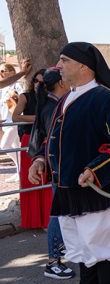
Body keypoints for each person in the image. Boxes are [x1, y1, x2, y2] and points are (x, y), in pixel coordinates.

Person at [28, 42, 110, 284]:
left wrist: (94, 169)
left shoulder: (106, 99)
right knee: (81, 248)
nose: (58, 66)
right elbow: (55, 138)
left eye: (64, 60)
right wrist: (40, 159)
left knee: (102, 249)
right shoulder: (68, 98)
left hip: (96, 191)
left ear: (84, 66)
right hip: (67, 189)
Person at [29, 67, 74, 279]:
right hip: (61, 169)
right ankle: (53, 261)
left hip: (62, 168)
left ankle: (61, 250)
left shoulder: (53, 105)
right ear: (61, 83)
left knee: (63, 212)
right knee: (58, 213)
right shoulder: (52, 109)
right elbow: (52, 141)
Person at [12, 69, 52, 229]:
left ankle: (48, 219)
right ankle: (33, 220)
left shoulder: (50, 97)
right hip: (29, 138)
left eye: (42, 82)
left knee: (46, 178)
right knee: (30, 179)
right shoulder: (25, 96)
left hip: (46, 139)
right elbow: (15, 116)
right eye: (36, 80)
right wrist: (37, 118)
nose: (38, 85)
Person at [0, 60, 31, 182]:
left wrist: (22, 73)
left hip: (14, 122)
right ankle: (20, 171)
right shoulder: (2, 89)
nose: (0, 73)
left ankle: (21, 170)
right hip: (6, 122)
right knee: (15, 147)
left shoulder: (17, 86)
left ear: (11, 72)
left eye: (3, 71)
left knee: (5, 147)